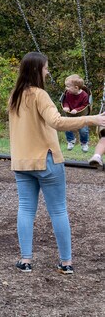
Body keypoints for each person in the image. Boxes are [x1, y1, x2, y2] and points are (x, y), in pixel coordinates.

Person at [8, 52, 105, 275]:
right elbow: (58, 122)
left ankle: (25, 260)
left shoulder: (15, 95)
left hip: (22, 162)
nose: (47, 71)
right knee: (58, 210)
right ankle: (66, 262)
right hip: (47, 160)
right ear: (36, 70)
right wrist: (93, 119)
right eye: (46, 68)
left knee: (25, 209)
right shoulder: (40, 95)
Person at [61, 74, 91, 152]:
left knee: (83, 130)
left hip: (81, 114)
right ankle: (71, 140)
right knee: (66, 126)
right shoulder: (68, 93)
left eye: (68, 86)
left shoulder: (84, 95)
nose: (66, 88)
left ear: (76, 88)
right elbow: (66, 101)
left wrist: (76, 110)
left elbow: (85, 105)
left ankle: (84, 143)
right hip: (70, 114)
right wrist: (66, 106)